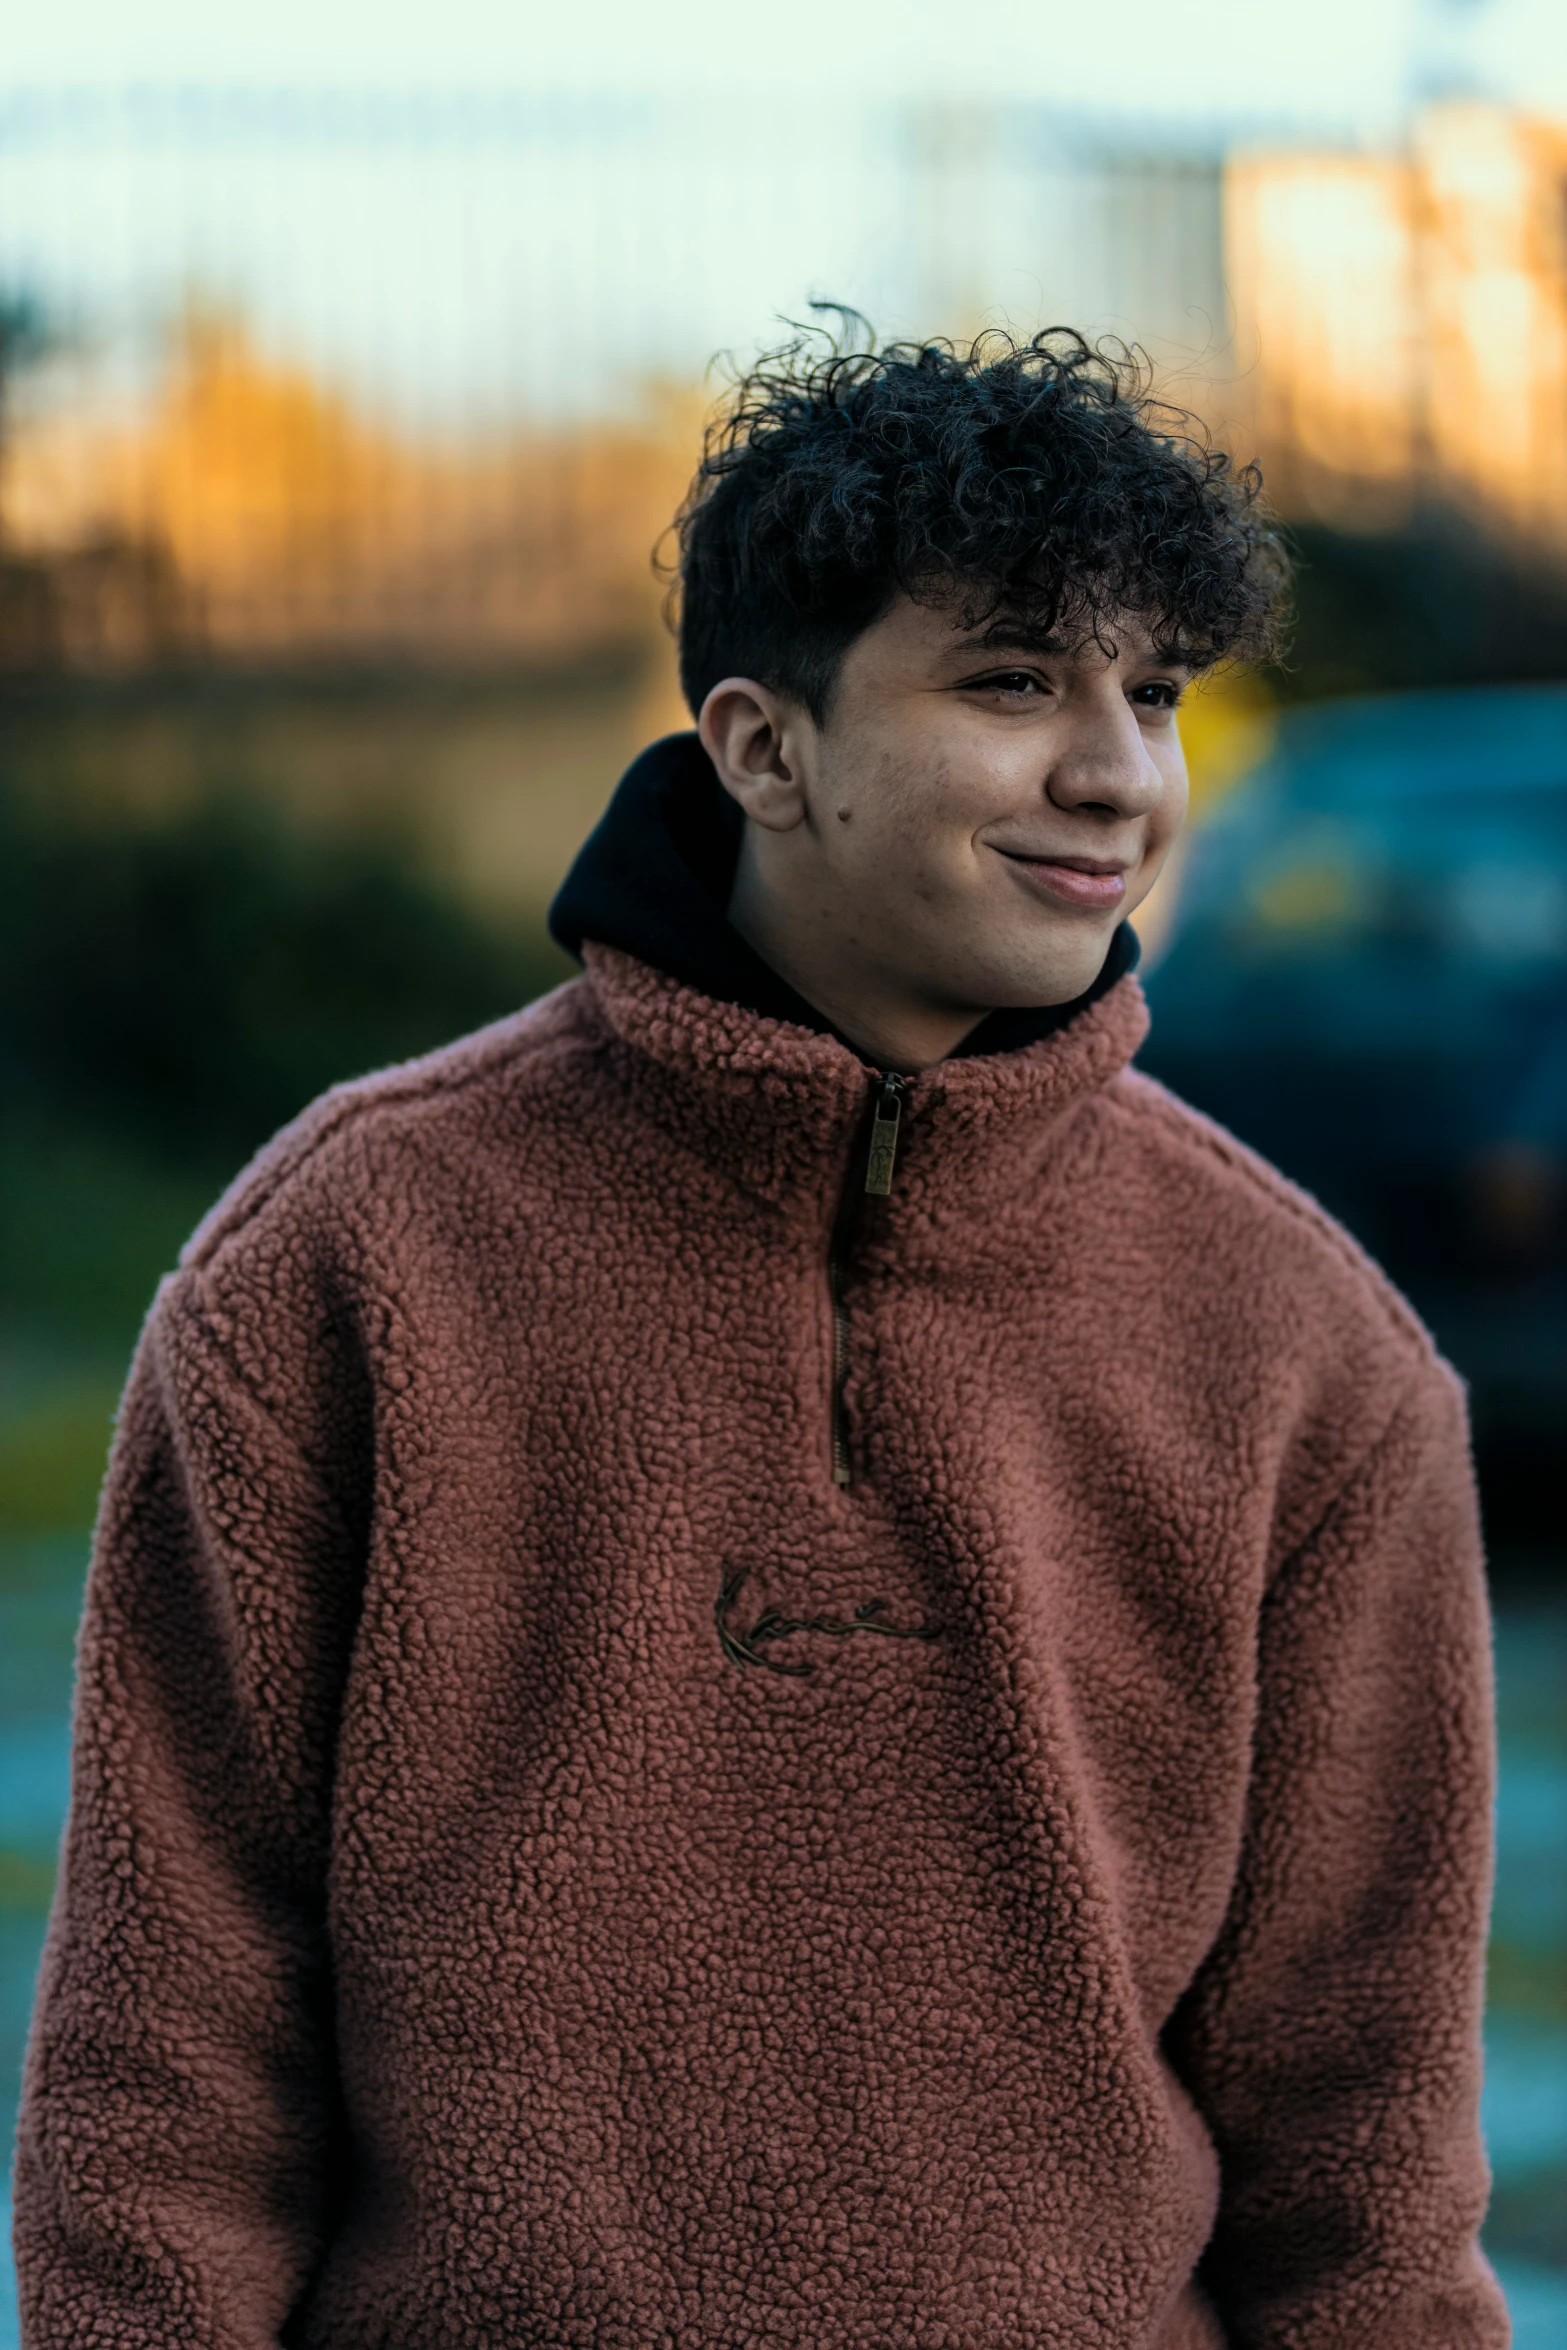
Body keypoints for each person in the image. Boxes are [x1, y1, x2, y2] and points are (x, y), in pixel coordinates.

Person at [13, 323, 1507, 2348]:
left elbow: (1369, 2171)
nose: (1118, 771)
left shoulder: (1309, 1350)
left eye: (1150, 692)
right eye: (1010, 681)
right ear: (760, 744)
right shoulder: (343, 1263)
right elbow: (159, 2080)